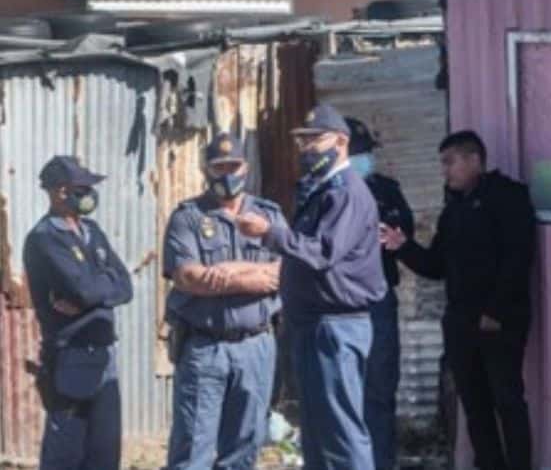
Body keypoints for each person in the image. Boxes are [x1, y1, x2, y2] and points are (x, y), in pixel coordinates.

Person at [236, 103, 386, 470]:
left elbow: (322, 253)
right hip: (313, 324)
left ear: (341, 142)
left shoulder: (347, 191)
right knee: (317, 432)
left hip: (336, 326)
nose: (306, 148)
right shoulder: (321, 189)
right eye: (302, 141)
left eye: (314, 139)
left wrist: (269, 233)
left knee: (341, 430)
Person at [381, 130, 536, 470]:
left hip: (499, 321)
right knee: (475, 405)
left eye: (450, 162)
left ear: (474, 160)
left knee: (507, 401)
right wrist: (403, 246)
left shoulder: (507, 197)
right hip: (461, 323)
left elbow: (519, 257)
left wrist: (495, 310)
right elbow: (437, 265)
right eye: (442, 163)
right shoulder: (454, 210)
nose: (444, 171)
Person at [162, 132, 286, 469]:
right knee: (192, 449)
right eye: (219, 167)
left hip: (256, 345)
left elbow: (284, 275)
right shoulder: (187, 217)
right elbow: (189, 278)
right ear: (206, 169)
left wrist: (224, 272)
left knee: (245, 447)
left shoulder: (269, 216)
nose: (227, 175)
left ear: (245, 167)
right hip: (205, 348)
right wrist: (255, 276)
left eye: (234, 166)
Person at [23, 155, 133, 470]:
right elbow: (84, 289)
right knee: (67, 454)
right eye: (82, 188)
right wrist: (97, 288)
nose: (89, 194)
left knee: (104, 453)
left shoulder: (92, 231)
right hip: (70, 356)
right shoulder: (44, 238)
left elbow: (125, 284)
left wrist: (93, 292)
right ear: (60, 192)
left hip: (104, 352)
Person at [347, 116, 415, 470]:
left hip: (378, 300)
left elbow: (405, 228)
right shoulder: (322, 193)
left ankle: (381, 462)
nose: (364, 159)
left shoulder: (387, 189)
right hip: (339, 304)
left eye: (366, 153)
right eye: (357, 153)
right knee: (343, 392)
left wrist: (391, 235)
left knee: (380, 387)